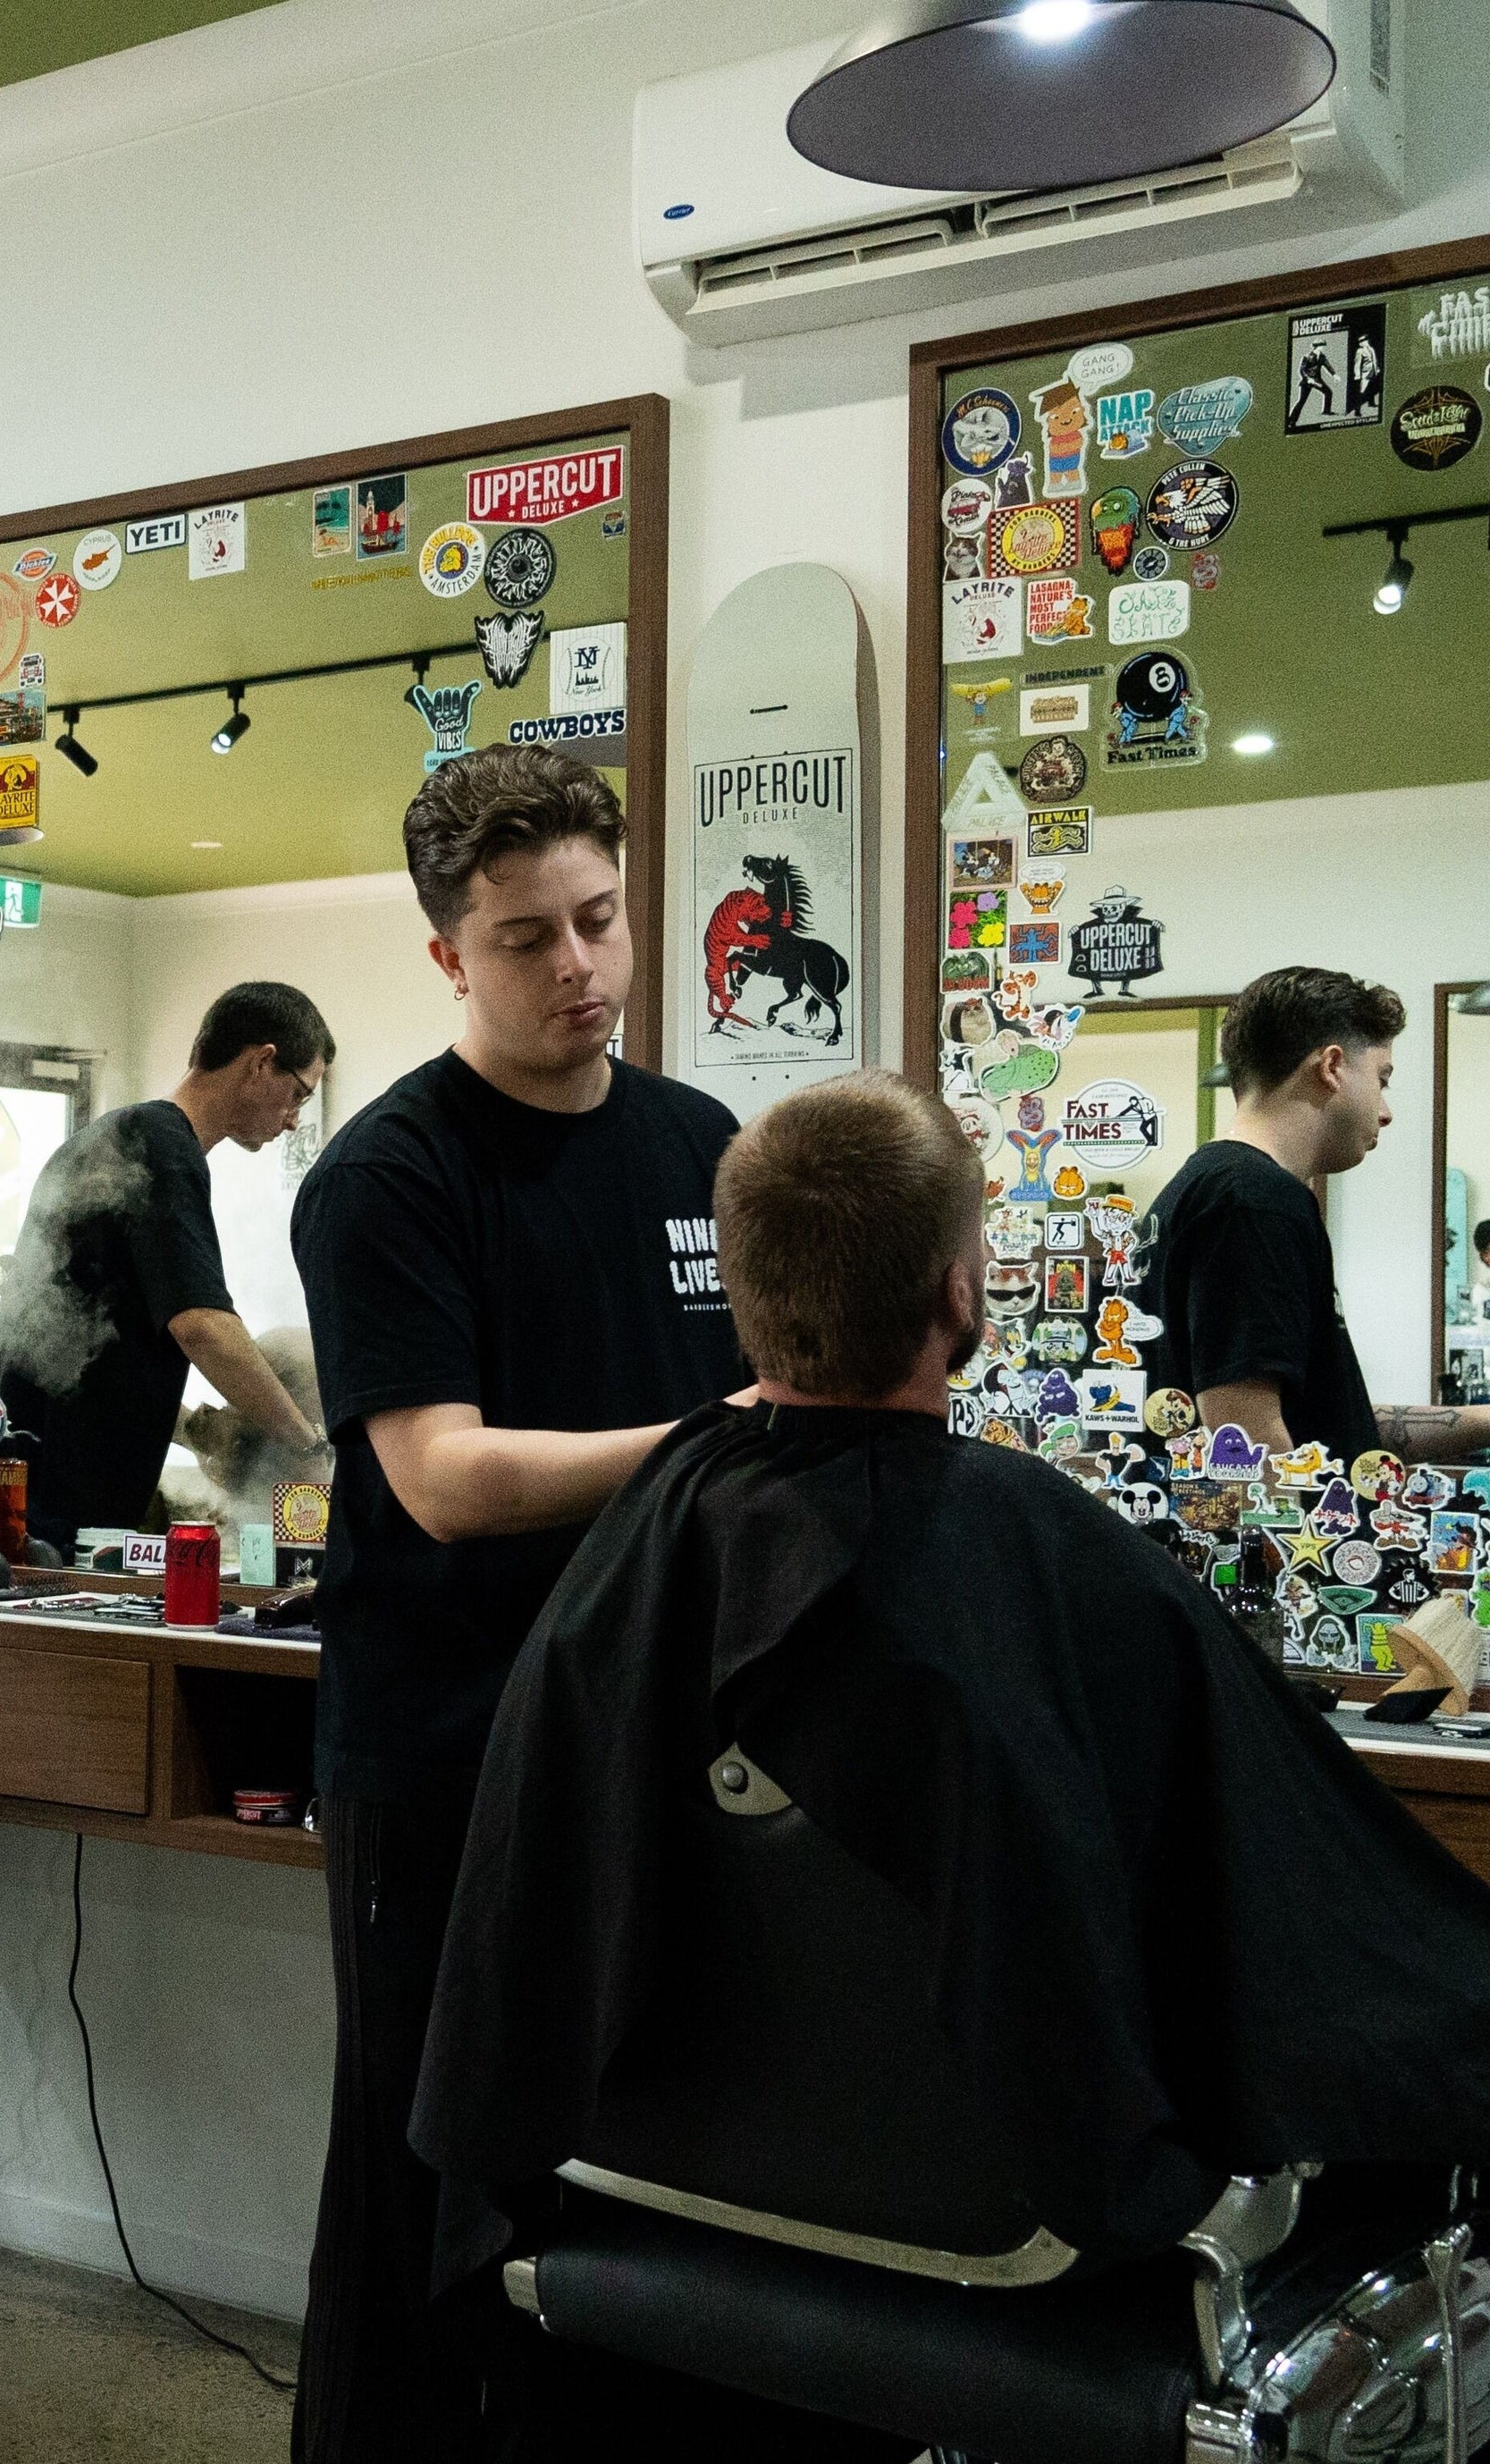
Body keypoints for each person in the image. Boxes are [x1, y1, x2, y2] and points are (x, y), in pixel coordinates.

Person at [418, 1075, 1490, 2331]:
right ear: (959, 1291)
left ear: (744, 1298)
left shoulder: (644, 1539)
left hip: (677, 2169)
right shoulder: (1040, 1551)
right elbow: (1281, 1909)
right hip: (1028, 2209)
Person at [284, 745, 746, 2463]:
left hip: (658, 1736)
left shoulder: (705, 1144)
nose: (581, 967)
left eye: (604, 921)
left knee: (636, 2164)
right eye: (528, 937)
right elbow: (443, 1478)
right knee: (430, 2171)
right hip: (450, 1748)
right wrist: (720, 1441)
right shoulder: (391, 1176)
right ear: (448, 956)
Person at [0, 981, 333, 1552]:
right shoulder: (163, 1149)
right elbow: (203, 1325)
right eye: (297, 1093)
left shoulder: (113, 1139)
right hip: (60, 1510)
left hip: (22, 1489)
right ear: (261, 1063)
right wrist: (305, 1445)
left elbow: (83, 1350)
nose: (293, 1119)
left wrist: (196, 1428)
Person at [1139, 966, 1490, 1462]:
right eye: (1381, 1079)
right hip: (1279, 1540)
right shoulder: (1255, 1201)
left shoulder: (1214, 1187)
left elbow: (1328, 1427)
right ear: (1332, 1066)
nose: (1386, 1111)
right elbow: (1243, 1434)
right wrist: (1314, 1540)